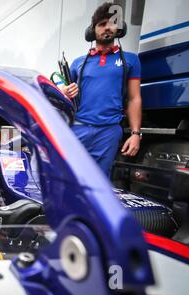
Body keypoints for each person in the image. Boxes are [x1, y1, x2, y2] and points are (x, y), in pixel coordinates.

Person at [61, 2, 142, 177]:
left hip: (108, 132)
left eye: (112, 23)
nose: (107, 28)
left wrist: (136, 134)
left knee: (100, 182)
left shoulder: (131, 60)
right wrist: (65, 92)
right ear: (93, 30)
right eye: (102, 24)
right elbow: (64, 96)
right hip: (78, 128)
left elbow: (134, 98)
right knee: (69, 177)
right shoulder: (78, 63)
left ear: (119, 29)